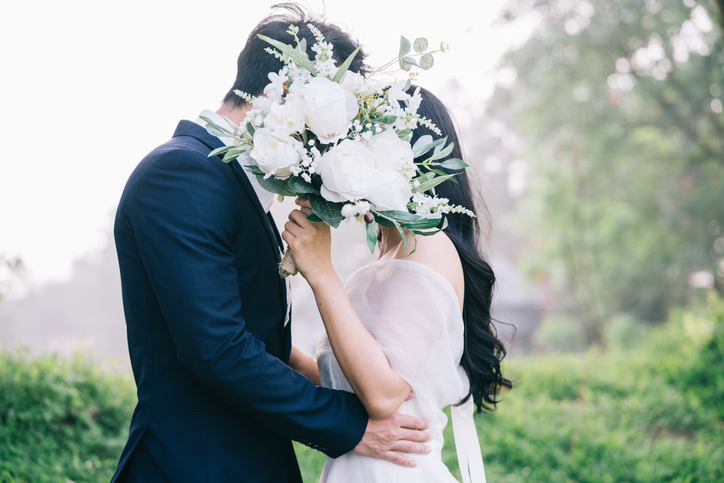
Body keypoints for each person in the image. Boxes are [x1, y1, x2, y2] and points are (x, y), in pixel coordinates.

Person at [111, 6, 431, 482]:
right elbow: (217, 348)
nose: (335, 140)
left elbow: (258, 336)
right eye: (334, 119)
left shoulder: (227, 179)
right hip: (194, 465)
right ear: (280, 96)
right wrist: (351, 425)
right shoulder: (181, 176)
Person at [283, 86, 513, 482]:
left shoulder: (429, 246)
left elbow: (383, 395)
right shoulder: (382, 260)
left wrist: (321, 273)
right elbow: (347, 378)